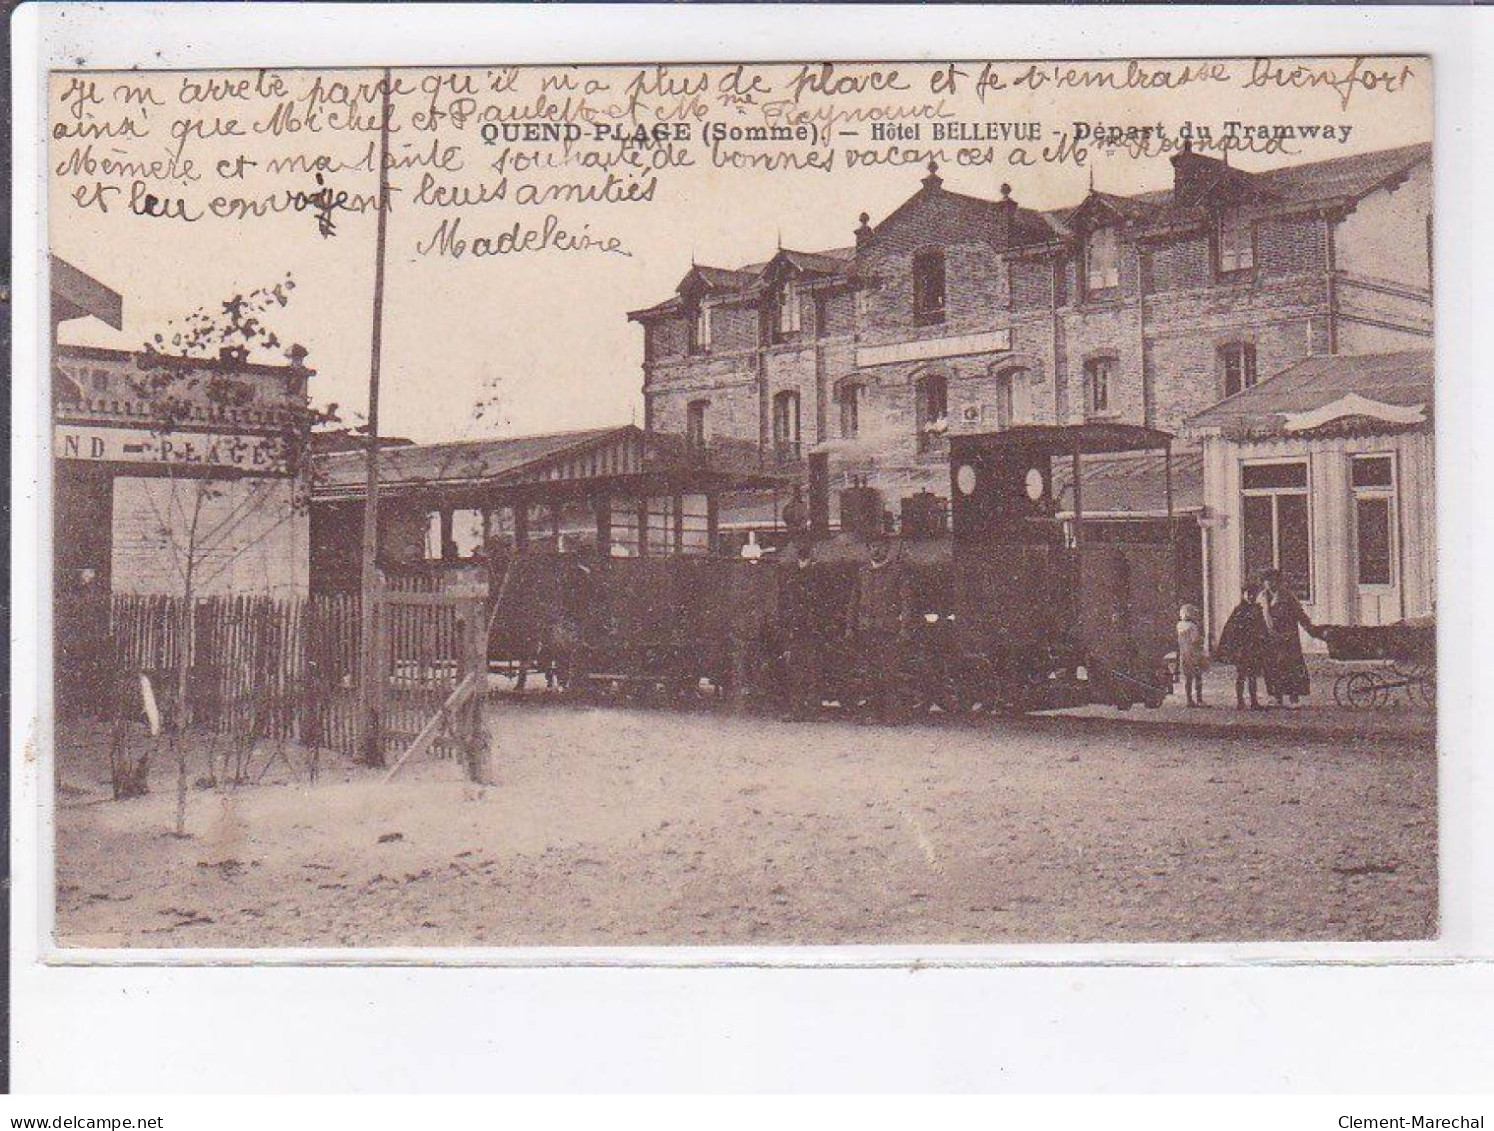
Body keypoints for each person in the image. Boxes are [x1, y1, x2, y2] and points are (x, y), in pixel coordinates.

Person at [855, 536, 914, 723]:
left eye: (880, 547)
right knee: (870, 673)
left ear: (887, 549)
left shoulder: (897, 572)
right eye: (873, 547)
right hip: (867, 628)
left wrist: (905, 627)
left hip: (889, 629)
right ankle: (872, 714)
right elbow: (854, 601)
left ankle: (891, 715)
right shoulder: (863, 571)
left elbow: (906, 602)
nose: (876, 550)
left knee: (890, 673)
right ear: (868, 548)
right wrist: (851, 625)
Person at [1258, 568, 1321, 706]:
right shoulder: (1262, 597)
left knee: (1291, 667)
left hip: (1288, 637)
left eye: (1273, 580)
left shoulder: (1288, 596)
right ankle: (1276, 697)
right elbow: (1258, 617)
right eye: (1267, 580)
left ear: (1278, 581)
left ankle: (1294, 698)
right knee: (1272, 667)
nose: (1269, 583)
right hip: (1270, 638)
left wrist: (1311, 630)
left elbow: (1300, 614)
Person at [778, 541, 822, 720]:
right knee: (795, 670)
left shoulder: (819, 573)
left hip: (812, 628)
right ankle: (797, 709)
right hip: (795, 628)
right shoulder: (791, 574)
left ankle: (811, 710)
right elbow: (785, 602)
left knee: (812, 670)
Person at [1215, 583, 1269, 709]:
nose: (1251, 597)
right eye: (1249, 594)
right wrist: (1233, 647)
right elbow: (1230, 630)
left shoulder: (1257, 609)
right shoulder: (1239, 611)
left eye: (1254, 594)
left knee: (1253, 676)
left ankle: (1254, 701)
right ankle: (1240, 701)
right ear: (1243, 594)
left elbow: (1262, 627)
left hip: (1254, 647)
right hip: (1242, 648)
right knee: (1241, 675)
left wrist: (1264, 639)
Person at [1176, 603, 1208, 707]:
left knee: (1188, 678)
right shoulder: (1193, 626)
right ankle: (1199, 699)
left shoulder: (1179, 625)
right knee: (1198, 677)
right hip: (1194, 654)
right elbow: (1195, 640)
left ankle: (1189, 699)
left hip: (1184, 654)